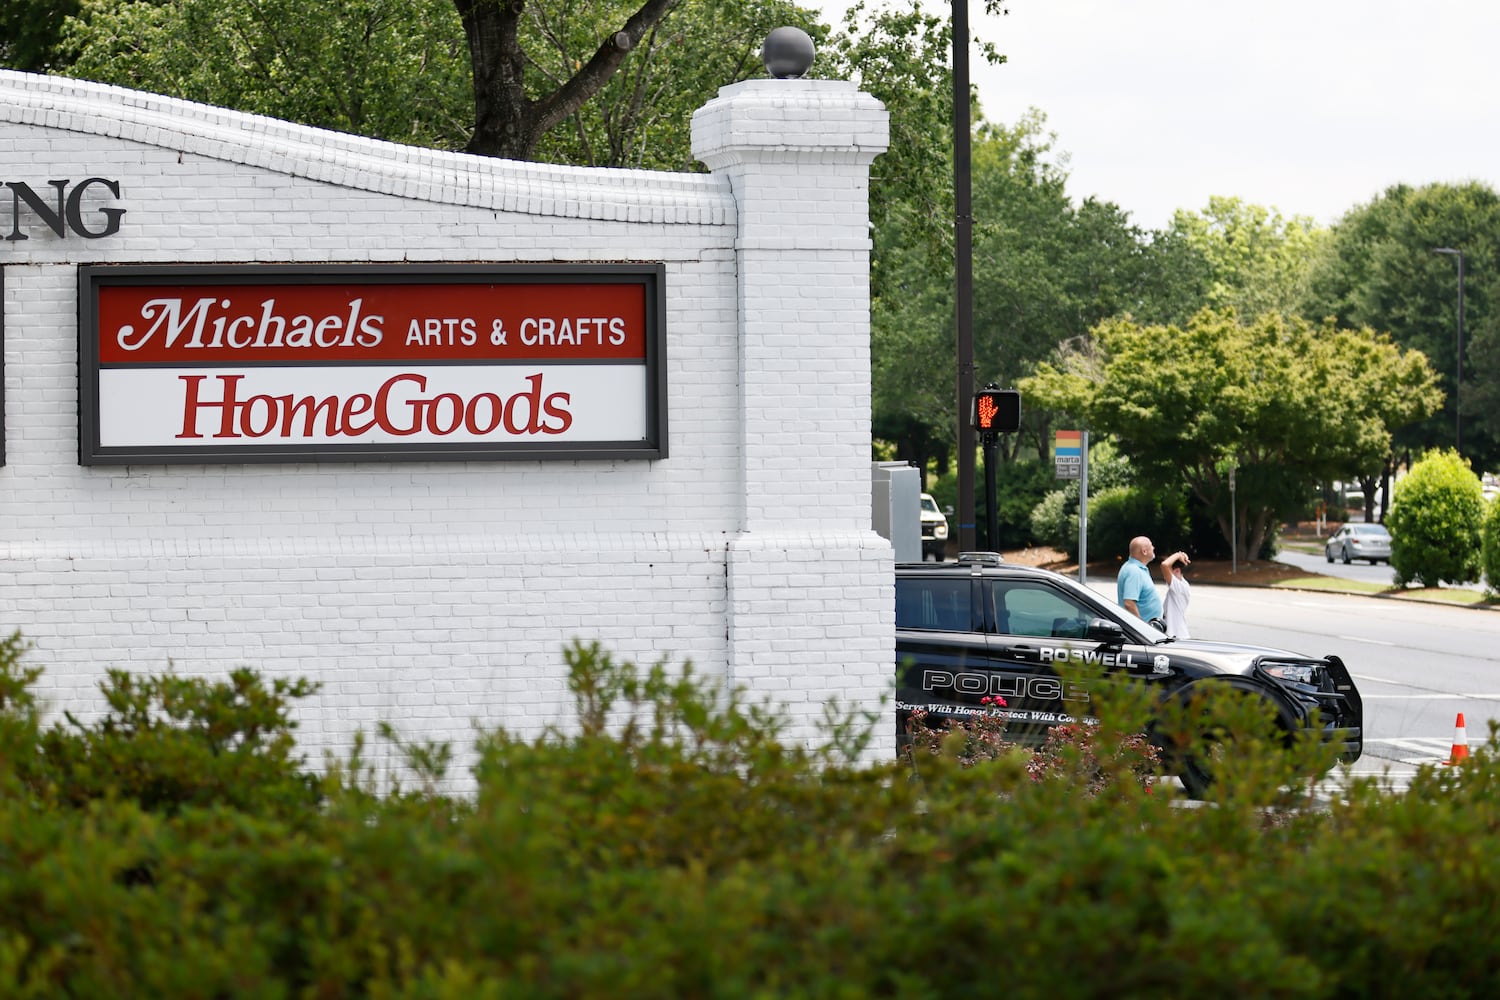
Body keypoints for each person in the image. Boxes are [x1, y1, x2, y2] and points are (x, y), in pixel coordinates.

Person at [1116, 536, 1163, 627]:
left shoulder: (1135, 568)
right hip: (1141, 632)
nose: (1153, 548)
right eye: (1151, 545)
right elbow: (1129, 603)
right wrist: (1142, 627)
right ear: (1144, 551)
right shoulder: (1134, 571)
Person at [1159, 550, 1191, 638]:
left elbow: (1164, 565)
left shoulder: (1179, 587)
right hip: (1176, 633)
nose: (1165, 575)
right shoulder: (1179, 584)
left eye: (1169, 570)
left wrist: (1178, 554)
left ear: (1176, 571)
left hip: (1176, 634)